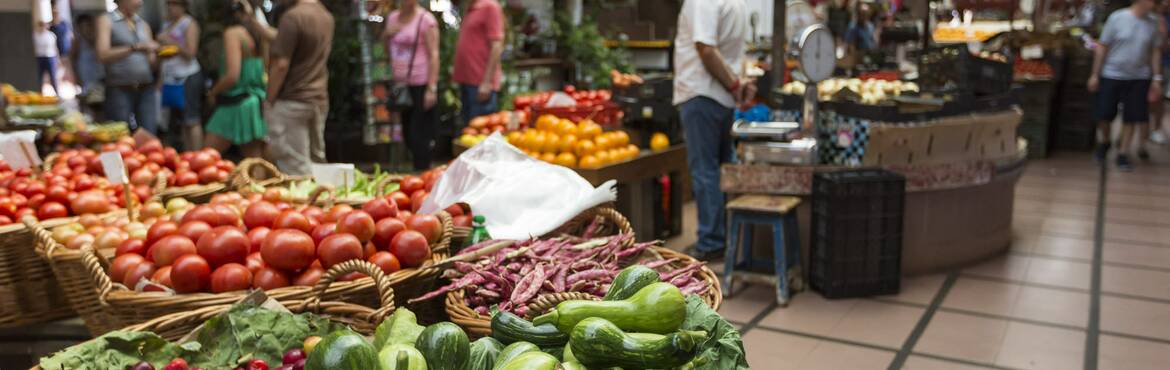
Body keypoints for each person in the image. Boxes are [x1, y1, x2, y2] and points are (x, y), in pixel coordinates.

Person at [674, 0, 753, 260]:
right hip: (721, 99)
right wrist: (735, 86)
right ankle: (723, 236)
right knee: (721, 170)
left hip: (702, 94)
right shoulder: (737, 3)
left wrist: (733, 85)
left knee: (706, 172)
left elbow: (706, 48)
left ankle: (711, 243)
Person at [241, 0, 334, 176]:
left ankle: (305, 202)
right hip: (317, 98)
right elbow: (280, 38)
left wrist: (268, 99)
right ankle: (322, 199)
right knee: (316, 163)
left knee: (294, 167)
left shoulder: (292, 17)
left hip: (292, 101)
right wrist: (253, 19)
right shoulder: (325, 16)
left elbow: (281, 64)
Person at [1089, 0, 1164, 171]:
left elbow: (1155, 51)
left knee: (1132, 116)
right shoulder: (1117, 18)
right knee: (1104, 114)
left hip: (1139, 77)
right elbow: (1103, 46)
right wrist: (1095, 74)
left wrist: (1157, 78)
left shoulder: (1153, 23)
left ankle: (1123, 152)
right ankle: (1105, 141)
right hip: (1112, 74)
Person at [204, 2, 267, 164]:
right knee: (254, 163)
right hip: (253, 104)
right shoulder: (259, 34)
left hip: (236, 105)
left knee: (205, 159)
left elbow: (232, 75)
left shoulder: (233, 34)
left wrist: (213, 92)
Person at [384, 1, 440, 171]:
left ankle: (422, 173)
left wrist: (432, 87)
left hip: (421, 84)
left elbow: (434, 54)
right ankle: (417, 172)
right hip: (401, 86)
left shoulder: (426, 20)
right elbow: (388, 50)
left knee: (419, 135)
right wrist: (386, 35)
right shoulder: (392, 18)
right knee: (407, 134)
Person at [96, 0, 161, 134]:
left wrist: (161, 57)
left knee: (149, 135)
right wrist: (134, 48)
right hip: (119, 88)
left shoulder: (143, 24)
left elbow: (152, 63)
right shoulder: (106, 20)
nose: (140, 2)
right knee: (120, 136)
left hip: (146, 87)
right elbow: (102, 55)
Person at [158, 0, 203, 151]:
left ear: (183, 6)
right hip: (170, 77)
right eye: (168, 4)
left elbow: (191, 52)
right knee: (182, 120)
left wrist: (171, 43)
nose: (170, 8)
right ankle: (188, 156)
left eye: (174, 4)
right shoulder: (166, 25)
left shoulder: (189, 23)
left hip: (188, 75)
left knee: (192, 119)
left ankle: (198, 155)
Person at [453, 0, 505, 129]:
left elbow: (497, 46)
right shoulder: (470, 8)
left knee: (481, 135)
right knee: (468, 133)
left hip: (481, 84)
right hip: (467, 81)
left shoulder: (490, 7)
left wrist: (487, 82)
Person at [71, 14, 104, 97]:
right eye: (82, 27)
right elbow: (73, 58)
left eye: (88, 26)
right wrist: (76, 77)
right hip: (86, 76)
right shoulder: (78, 42)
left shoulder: (99, 38)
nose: (86, 29)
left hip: (100, 75)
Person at [34, 21, 61, 96]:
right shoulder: (35, 35)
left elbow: (55, 48)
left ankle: (57, 93)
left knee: (53, 76)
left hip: (50, 57)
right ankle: (40, 93)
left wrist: (57, 59)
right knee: (39, 77)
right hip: (39, 57)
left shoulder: (51, 35)